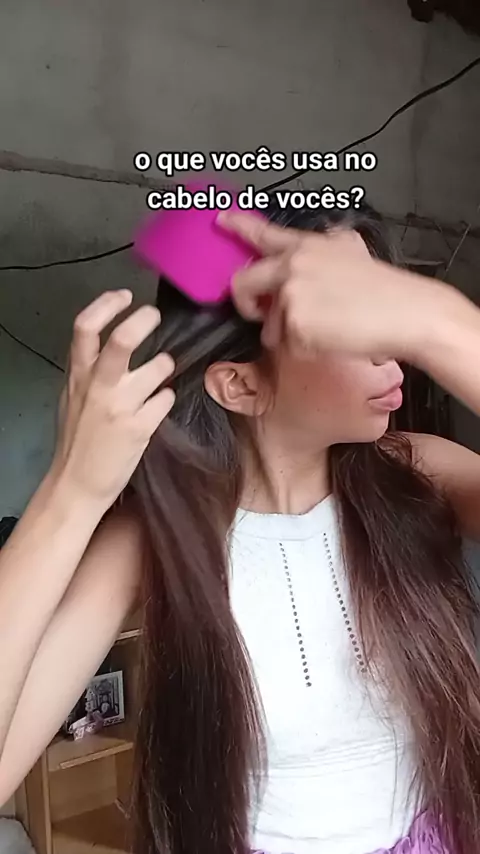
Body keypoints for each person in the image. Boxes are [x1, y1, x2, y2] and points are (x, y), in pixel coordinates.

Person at [1, 199, 480, 854]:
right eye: (346, 315)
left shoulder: (421, 472)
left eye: (382, 305)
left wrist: (444, 327)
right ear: (239, 385)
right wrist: (71, 494)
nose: (391, 344)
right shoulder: (157, 536)